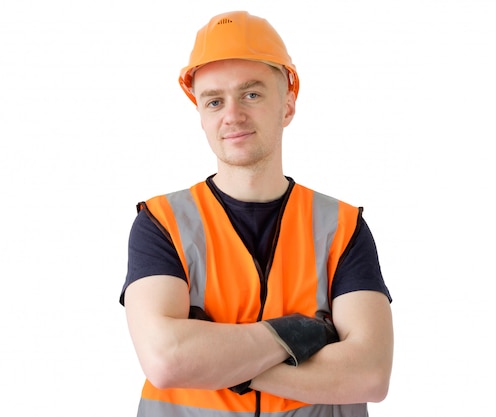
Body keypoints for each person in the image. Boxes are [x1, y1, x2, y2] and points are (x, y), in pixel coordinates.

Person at [119, 10, 393, 417]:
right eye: (214, 100)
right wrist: (296, 336)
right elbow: (166, 360)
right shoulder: (161, 223)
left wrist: (213, 356)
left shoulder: (342, 227)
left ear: (287, 105)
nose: (232, 115)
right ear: (202, 115)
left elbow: (370, 374)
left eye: (251, 94)